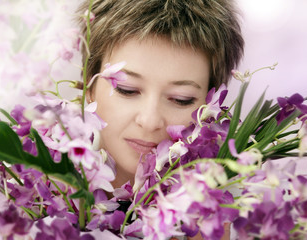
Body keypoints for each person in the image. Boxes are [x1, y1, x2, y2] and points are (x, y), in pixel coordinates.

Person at [78, 0, 244, 239]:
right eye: (127, 89)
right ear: (88, 87)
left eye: (181, 99)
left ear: (210, 106)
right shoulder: (27, 192)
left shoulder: (234, 212)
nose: (150, 120)